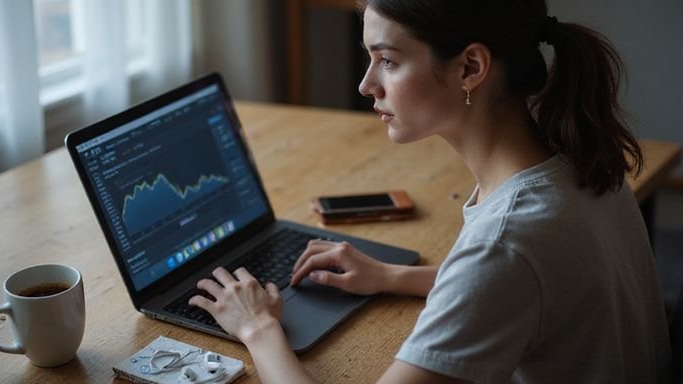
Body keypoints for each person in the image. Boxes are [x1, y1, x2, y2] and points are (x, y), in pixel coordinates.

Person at [189, 0, 672, 382]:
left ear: (470, 68)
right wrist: (394, 276)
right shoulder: (575, 157)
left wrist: (258, 327)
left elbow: (503, 266)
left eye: (388, 61)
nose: (365, 85)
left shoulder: (506, 242)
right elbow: (532, 284)